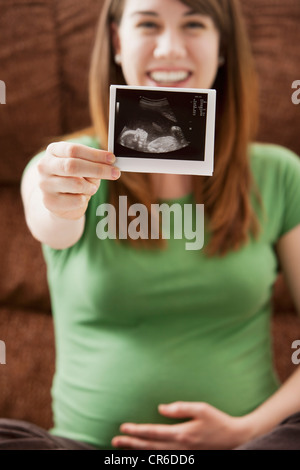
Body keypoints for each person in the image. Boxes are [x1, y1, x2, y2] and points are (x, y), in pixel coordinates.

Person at [1, 0, 300, 450]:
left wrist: (248, 429)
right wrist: (59, 202)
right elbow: (52, 223)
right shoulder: (60, 167)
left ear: (222, 48)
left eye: (194, 24)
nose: (169, 48)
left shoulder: (280, 174)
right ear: (118, 41)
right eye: (149, 24)